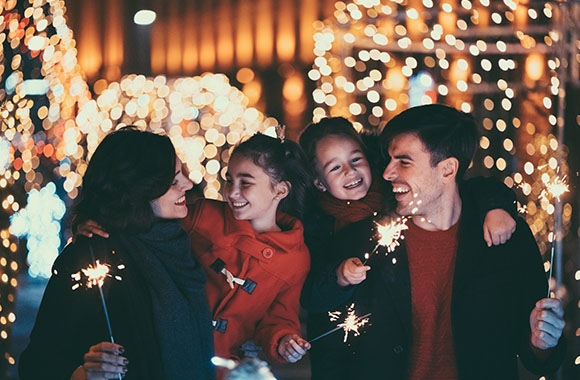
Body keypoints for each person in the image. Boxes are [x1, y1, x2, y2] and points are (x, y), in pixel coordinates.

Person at [315, 105, 566, 379]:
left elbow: (537, 356)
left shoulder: (505, 239)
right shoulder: (359, 243)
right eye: (388, 160)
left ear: (447, 170)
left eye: (404, 161)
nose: (387, 173)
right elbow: (329, 353)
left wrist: (543, 343)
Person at [19, 127, 215, 380]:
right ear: (138, 189)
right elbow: (37, 364)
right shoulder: (89, 258)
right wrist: (83, 373)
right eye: (172, 180)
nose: (188, 184)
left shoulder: (182, 243)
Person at [183, 133, 311, 368]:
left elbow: (279, 316)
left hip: (222, 366)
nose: (232, 192)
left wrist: (284, 340)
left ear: (281, 190)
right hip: (175, 349)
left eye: (246, 182)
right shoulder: (202, 216)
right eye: (229, 180)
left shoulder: (296, 258)